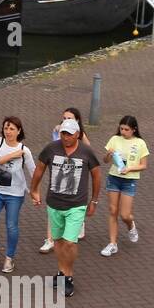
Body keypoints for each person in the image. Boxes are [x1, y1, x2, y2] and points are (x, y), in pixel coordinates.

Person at [30, 118, 102, 298]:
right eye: (63, 133)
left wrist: (94, 201)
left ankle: (69, 276)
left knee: (70, 242)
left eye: (69, 134)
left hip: (76, 206)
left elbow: (96, 176)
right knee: (59, 242)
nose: (66, 137)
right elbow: (39, 169)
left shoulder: (86, 152)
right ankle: (61, 272)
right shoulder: (51, 148)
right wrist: (34, 190)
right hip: (54, 203)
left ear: (77, 134)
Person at [0, 116, 36, 275]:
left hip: (15, 194)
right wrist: (12, 155)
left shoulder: (25, 151)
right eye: (6, 128)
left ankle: (9, 258)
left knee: (11, 226)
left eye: (12, 129)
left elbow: (34, 172)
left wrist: (34, 191)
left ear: (19, 131)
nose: (8, 131)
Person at [39, 107, 91, 253]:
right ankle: (49, 240)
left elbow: (89, 151)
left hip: (75, 176)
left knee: (73, 207)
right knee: (54, 205)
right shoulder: (58, 131)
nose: (66, 121)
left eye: (70, 119)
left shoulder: (80, 135)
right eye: (64, 118)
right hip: (59, 174)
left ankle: (78, 224)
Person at [101, 115, 148, 256]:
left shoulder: (140, 143)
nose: (123, 132)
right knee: (112, 210)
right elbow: (105, 160)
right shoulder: (114, 139)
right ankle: (112, 244)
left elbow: (144, 165)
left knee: (125, 215)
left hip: (129, 181)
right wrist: (108, 155)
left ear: (134, 129)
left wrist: (130, 169)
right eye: (121, 128)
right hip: (114, 178)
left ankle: (131, 226)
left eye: (126, 129)